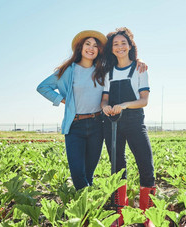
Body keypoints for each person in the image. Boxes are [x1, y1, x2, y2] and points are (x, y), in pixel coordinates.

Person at [36, 30, 147, 191]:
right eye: (87, 44)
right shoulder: (69, 70)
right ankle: (86, 202)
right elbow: (43, 87)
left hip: (97, 125)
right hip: (75, 126)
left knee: (89, 173)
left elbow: (122, 62)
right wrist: (66, 101)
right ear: (80, 47)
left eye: (95, 45)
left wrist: (139, 60)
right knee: (77, 173)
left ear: (99, 51)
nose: (91, 48)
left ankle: (88, 209)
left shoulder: (103, 70)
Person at [101, 27, 155, 227]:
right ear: (112, 49)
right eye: (116, 44)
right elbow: (104, 100)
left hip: (134, 122)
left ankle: (147, 216)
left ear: (130, 45)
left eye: (123, 43)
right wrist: (105, 107)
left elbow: (143, 100)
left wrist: (124, 105)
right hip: (112, 124)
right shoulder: (108, 72)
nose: (120, 46)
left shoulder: (139, 69)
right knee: (117, 169)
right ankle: (119, 215)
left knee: (146, 166)